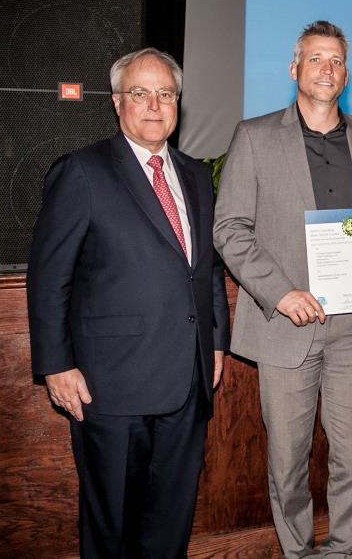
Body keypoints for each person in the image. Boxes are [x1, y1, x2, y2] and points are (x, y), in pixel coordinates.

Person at [27, 47, 229, 557]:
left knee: (171, 523)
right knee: (112, 527)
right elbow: (49, 277)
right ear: (117, 103)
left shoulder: (197, 176)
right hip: (110, 388)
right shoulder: (82, 172)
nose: (155, 105)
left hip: (188, 381)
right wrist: (56, 364)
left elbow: (205, 270)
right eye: (140, 93)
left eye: (166, 94)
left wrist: (218, 343)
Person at [214, 20, 352, 558]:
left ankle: (344, 553)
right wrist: (281, 292)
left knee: (351, 461)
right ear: (295, 69)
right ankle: (297, 553)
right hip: (286, 327)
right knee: (288, 464)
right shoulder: (254, 136)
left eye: (337, 61)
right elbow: (229, 228)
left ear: (346, 75)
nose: (327, 69)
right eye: (316, 59)